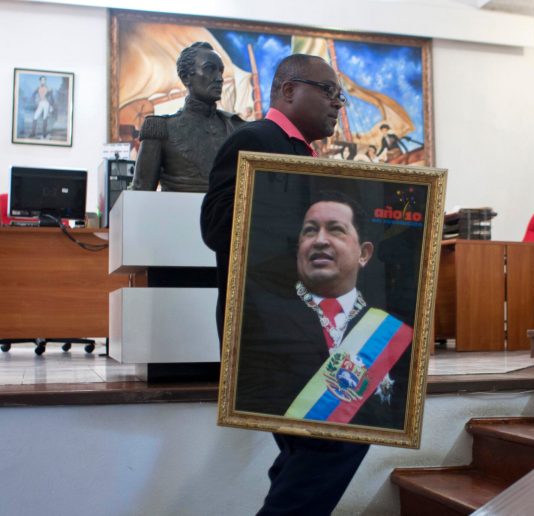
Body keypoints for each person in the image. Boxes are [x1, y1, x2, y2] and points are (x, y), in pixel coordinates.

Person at [201, 54, 375, 516]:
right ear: (289, 90)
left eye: (341, 95)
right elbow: (215, 228)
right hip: (271, 331)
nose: (339, 104)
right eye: (330, 92)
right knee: (341, 434)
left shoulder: (305, 155)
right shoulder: (254, 141)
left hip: (307, 330)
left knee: (311, 446)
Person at [234, 191, 412, 428]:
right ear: (299, 248)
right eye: (310, 230)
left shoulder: (390, 331)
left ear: (364, 253)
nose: (319, 240)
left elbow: (396, 415)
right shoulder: (260, 315)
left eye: (336, 229)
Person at [131, 41, 244, 192]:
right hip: (176, 214)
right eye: (209, 69)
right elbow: (140, 195)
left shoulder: (237, 128)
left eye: (220, 71)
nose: (219, 78)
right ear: (185, 78)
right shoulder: (160, 129)